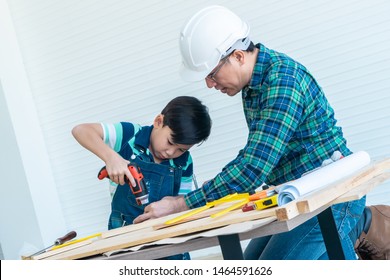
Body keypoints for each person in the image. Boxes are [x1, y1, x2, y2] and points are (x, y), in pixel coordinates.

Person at [134, 6, 390, 260]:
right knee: (251, 264)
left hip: (331, 197)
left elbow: (253, 168)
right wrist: (214, 190)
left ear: (238, 56)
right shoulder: (253, 87)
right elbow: (257, 153)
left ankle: (359, 224)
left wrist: (179, 204)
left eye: (212, 74)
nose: (209, 84)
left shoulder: (283, 82)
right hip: (295, 195)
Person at [72, 96, 211, 260]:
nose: (171, 152)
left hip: (166, 236)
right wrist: (111, 158)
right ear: (159, 121)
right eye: (170, 142)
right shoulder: (129, 135)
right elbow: (80, 130)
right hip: (124, 233)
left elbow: (181, 202)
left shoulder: (184, 162)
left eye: (180, 149)